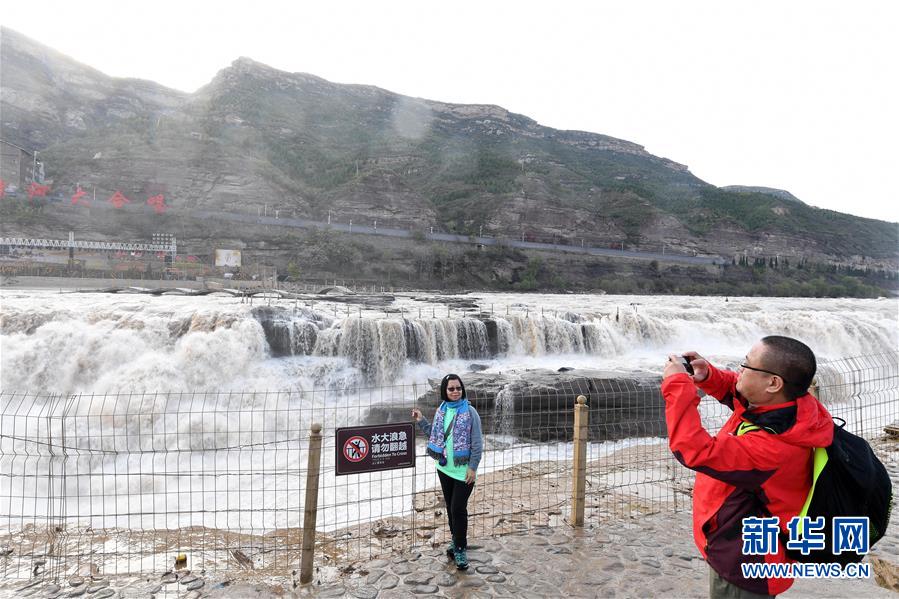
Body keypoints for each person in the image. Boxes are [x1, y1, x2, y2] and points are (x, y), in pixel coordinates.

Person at [661, 336, 833, 598]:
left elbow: (693, 449)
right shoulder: (793, 409)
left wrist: (677, 385)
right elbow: (743, 393)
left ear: (773, 383)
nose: (739, 370)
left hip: (745, 566)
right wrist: (709, 376)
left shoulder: (771, 448)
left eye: (746, 364)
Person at [411, 374, 483, 570]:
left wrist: (473, 467)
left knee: (458, 509)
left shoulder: (470, 412)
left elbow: (477, 443)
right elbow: (435, 436)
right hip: (444, 468)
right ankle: (455, 540)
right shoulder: (441, 410)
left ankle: (460, 548)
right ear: (445, 391)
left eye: (458, 388)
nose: (455, 391)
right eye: (451, 388)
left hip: (463, 472)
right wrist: (421, 420)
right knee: (451, 509)